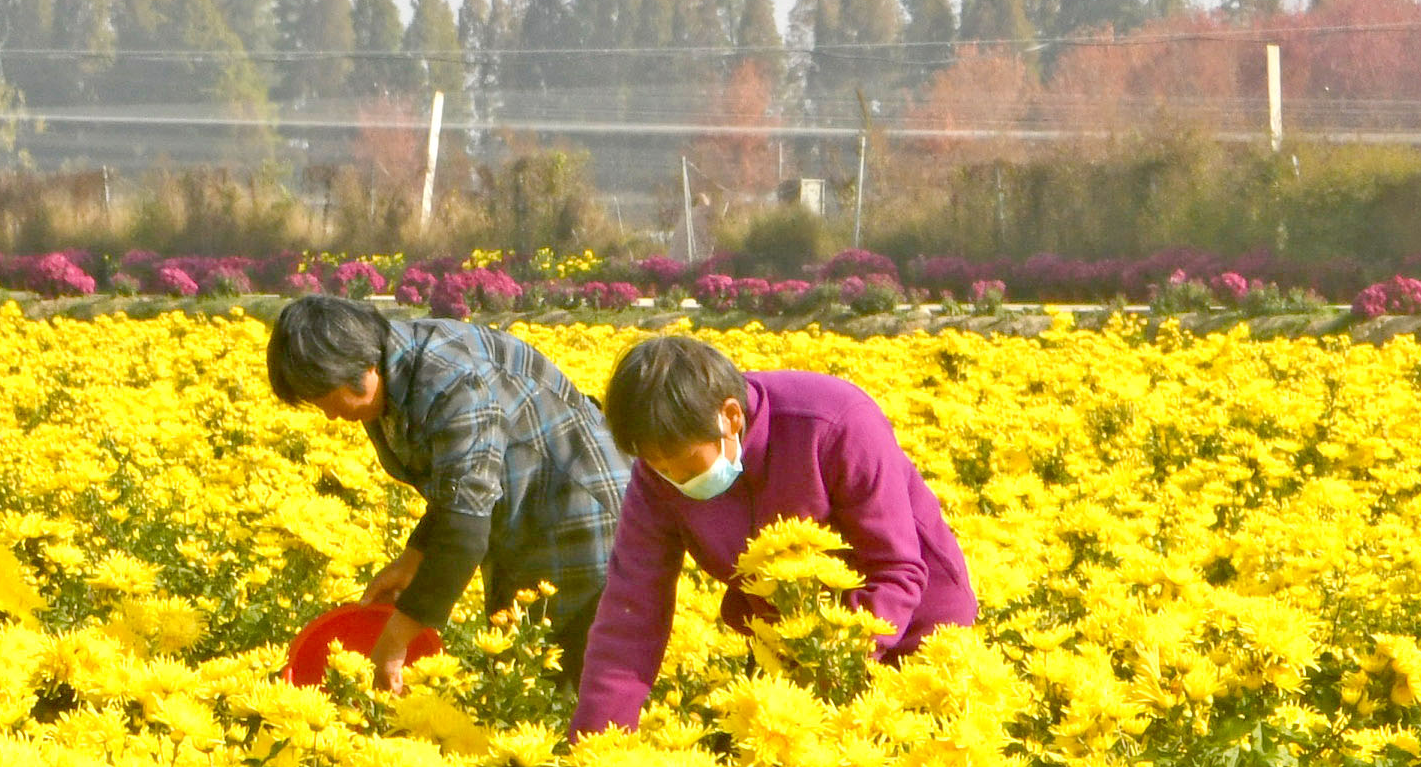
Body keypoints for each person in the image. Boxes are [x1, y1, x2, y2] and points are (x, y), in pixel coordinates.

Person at [572, 337, 980, 734]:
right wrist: (595, 747)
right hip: (790, 650)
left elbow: (895, 569)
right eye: (656, 465)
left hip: (919, 626)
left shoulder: (835, 422)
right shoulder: (658, 476)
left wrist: (827, 678)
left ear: (730, 417)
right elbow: (630, 614)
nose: (674, 480)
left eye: (686, 466)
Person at [260, 292, 627, 693]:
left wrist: (398, 636)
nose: (330, 414)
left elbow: (464, 528)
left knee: (570, 687)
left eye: (327, 398)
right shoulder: (387, 373)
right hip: (519, 516)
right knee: (518, 674)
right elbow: (456, 484)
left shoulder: (452, 381)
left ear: (360, 365)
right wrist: (414, 557)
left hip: (582, 514)